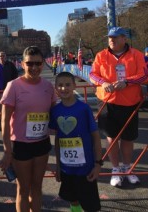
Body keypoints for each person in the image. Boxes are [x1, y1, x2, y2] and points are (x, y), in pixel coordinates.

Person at [0, 46, 57, 212]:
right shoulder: (13, 86)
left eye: (38, 63)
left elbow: (56, 112)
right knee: (23, 189)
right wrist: (7, 150)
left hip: (42, 143)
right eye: (29, 63)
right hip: (21, 145)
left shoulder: (48, 86)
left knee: (37, 187)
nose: (34, 67)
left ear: (43, 63)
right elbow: (4, 120)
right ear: (22, 64)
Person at [89, 26, 148, 187]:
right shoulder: (101, 55)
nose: (111, 40)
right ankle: (115, 169)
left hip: (131, 102)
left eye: (115, 37)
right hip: (108, 102)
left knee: (128, 138)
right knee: (111, 137)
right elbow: (93, 74)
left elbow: (144, 74)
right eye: (109, 37)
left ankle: (127, 168)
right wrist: (103, 82)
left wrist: (127, 82)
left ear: (124, 38)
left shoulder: (136, 54)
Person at [49, 72, 102, 212]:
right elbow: (58, 139)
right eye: (60, 85)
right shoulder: (55, 111)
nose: (63, 88)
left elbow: (96, 136)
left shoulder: (83, 108)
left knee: (90, 205)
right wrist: (59, 166)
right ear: (55, 88)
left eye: (67, 84)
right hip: (67, 168)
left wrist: (98, 164)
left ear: (74, 86)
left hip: (86, 168)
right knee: (72, 198)